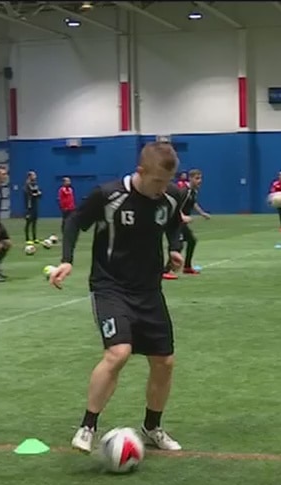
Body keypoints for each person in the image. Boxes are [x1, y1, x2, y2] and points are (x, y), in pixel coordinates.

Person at [48, 141, 187, 453]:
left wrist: (175, 248)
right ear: (140, 171)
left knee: (164, 361)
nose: (162, 188)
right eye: (157, 181)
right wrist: (67, 260)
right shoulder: (109, 195)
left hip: (149, 290)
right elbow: (74, 221)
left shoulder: (170, 196)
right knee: (118, 353)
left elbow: (174, 223)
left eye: (167, 182)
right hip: (110, 286)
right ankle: (87, 426)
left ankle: (152, 427)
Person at [163, 168, 210, 279]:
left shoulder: (193, 191)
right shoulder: (184, 191)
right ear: (190, 179)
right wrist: (182, 216)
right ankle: (165, 270)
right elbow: (176, 205)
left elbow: (193, 203)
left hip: (181, 222)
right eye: (197, 178)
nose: (200, 181)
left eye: (200, 178)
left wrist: (202, 213)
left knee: (191, 241)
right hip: (175, 221)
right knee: (177, 245)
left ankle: (187, 267)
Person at [23, 170, 42, 245]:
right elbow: (29, 194)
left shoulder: (35, 184)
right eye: (33, 175)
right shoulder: (27, 185)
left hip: (35, 205)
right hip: (29, 206)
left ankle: (34, 238)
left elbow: (38, 193)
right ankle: (27, 238)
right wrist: (36, 194)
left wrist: (37, 194)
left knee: (34, 222)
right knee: (28, 222)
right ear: (29, 176)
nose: (35, 176)